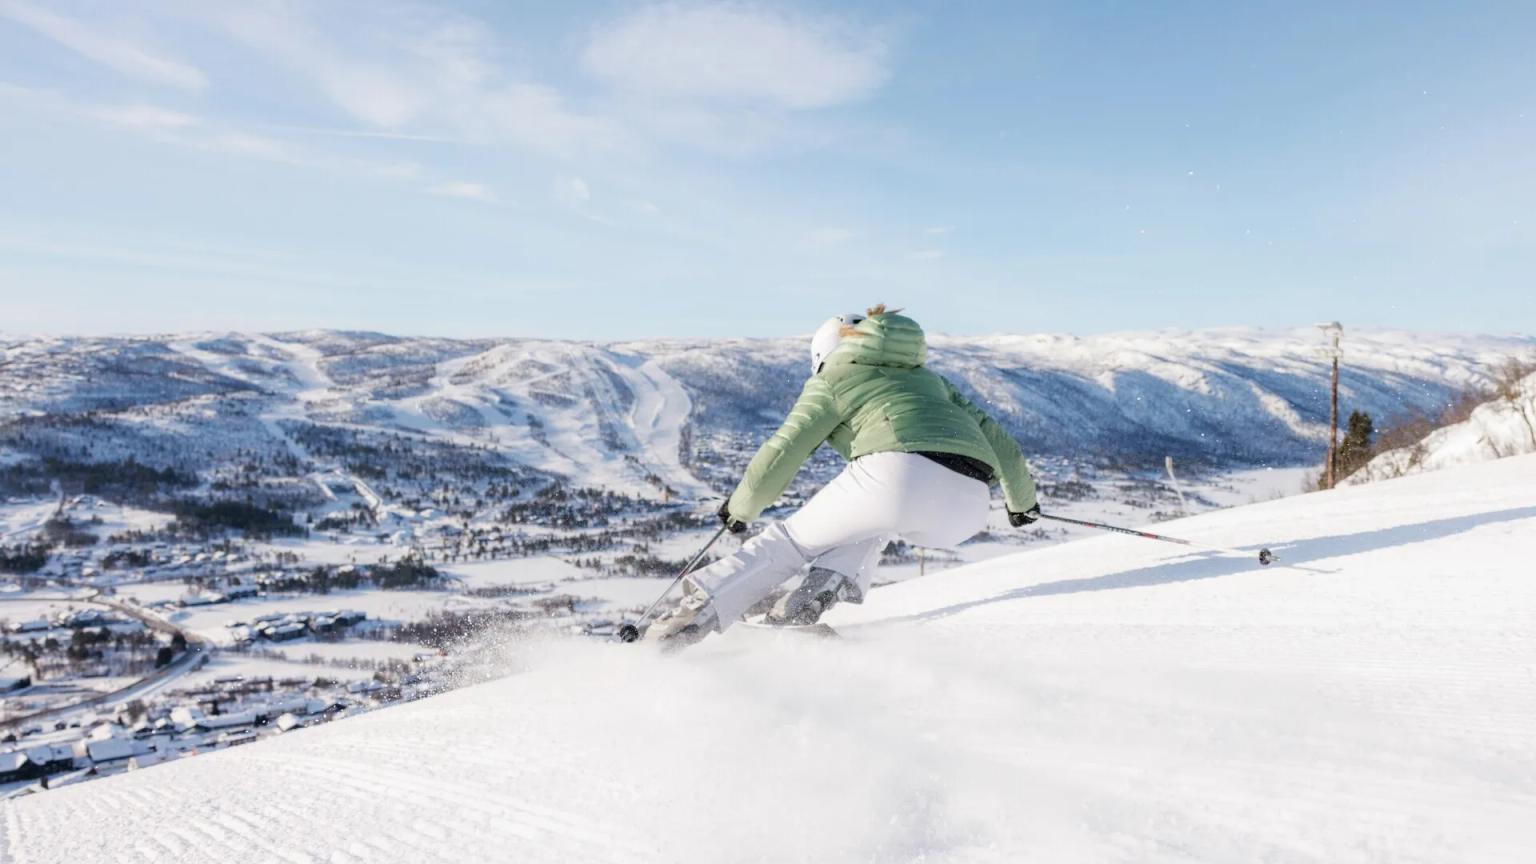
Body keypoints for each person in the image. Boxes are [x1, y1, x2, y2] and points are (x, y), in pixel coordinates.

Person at [646, 305, 1039, 648]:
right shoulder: (933, 382)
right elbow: (1003, 445)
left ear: (823, 355)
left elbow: (784, 451)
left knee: (788, 543)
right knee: (870, 526)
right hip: (969, 506)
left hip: (897, 476)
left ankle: (692, 617)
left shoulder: (833, 378)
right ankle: (808, 601)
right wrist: (1021, 504)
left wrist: (741, 507)